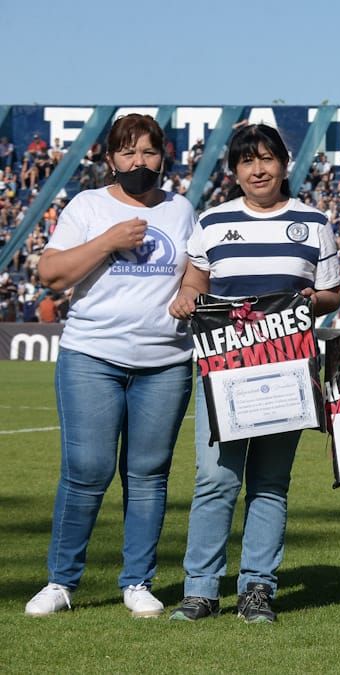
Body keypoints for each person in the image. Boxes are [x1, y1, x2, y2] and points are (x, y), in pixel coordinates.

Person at [168, 124, 340, 624]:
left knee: (269, 483)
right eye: (247, 161)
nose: (258, 169)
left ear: (284, 165)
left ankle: (257, 589)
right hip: (223, 372)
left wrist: (312, 299)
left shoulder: (313, 222)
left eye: (267, 159)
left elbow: (332, 293)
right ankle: (201, 590)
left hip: (286, 374)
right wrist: (185, 299)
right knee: (215, 479)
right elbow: (195, 282)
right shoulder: (213, 221)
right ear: (234, 171)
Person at [25, 114, 197, 618]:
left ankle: (138, 581)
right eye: (128, 152)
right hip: (92, 356)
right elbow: (51, 274)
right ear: (110, 159)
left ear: (163, 157)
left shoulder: (182, 209)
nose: (138, 161)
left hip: (165, 362)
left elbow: (196, 273)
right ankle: (60, 582)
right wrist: (107, 241)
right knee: (86, 471)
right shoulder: (88, 205)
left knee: (148, 475)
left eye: (148, 152)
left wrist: (189, 292)